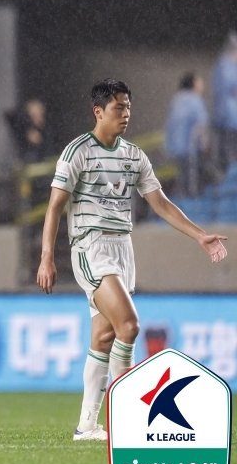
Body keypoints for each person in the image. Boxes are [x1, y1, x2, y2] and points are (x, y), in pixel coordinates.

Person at [37, 79, 228, 442]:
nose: (125, 114)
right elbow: (54, 208)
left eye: (128, 108)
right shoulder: (77, 152)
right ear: (98, 111)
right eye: (118, 108)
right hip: (90, 247)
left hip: (123, 248)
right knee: (129, 325)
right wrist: (47, 257)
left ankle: (88, 426)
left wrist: (199, 235)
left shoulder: (134, 156)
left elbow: (162, 204)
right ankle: (126, 419)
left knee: (104, 336)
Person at [164, 73, 210, 197]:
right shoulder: (195, 100)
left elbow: (170, 125)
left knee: (181, 176)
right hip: (191, 147)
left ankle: (183, 199)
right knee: (192, 177)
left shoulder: (176, 100)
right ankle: (193, 199)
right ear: (194, 84)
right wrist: (204, 143)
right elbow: (200, 125)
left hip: (177, 147)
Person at [211, 33, 237, 170]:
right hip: (228, 120)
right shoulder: (226, 66)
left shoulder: (224, 66)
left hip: (226, 119)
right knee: (228, 153)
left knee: (227, 152)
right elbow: (229, 89)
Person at [6, 99, 53, 164]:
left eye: (40, 114)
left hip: (41, 166)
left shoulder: (46, 130)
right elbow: (9, 115)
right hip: (25, 164)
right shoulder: (21, 129)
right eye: (34, 115)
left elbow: (48, 151)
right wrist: (27, 130)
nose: (38, 118)